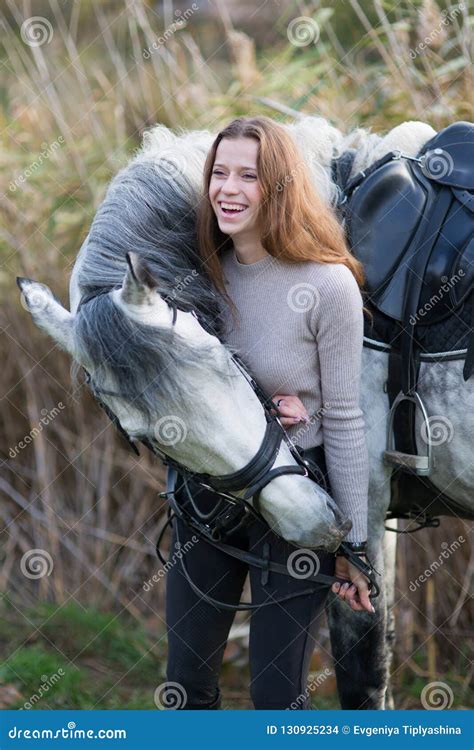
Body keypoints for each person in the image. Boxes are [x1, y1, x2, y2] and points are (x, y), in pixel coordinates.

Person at [165, 116, 373, 710]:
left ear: (279, 187)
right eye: (219, 173)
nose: (227, 188)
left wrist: (353, 547)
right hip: (208, 500)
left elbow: (344, 420)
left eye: (248, 176)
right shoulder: (200, 277)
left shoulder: (329, 285)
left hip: (293, 504)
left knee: (277, 699)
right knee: (186, 687)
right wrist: (254, 410)